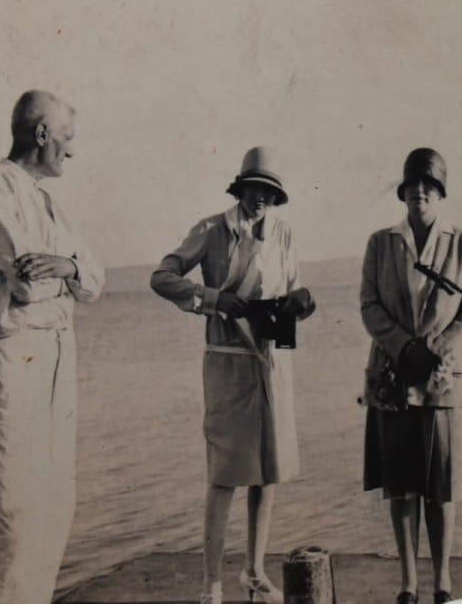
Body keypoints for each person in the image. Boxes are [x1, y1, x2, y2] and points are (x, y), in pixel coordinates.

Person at [151, 146, 316, 604]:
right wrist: (212, 298)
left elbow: (290, 291)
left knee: (268, 471)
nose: (260, 197)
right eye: (254, 188)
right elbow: (161, 277)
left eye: (268, 191)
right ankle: (211, 583)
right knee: (224, 474)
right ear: (240, 188)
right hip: (226, 360)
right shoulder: (211, 230)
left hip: (271, 361)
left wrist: (301, 303)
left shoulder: (283, 233)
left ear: (276, 196)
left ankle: (254, 572)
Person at [0, 90, 105, 604]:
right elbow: (26, 283)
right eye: (67, 138)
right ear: (42, 134)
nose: (71, 150)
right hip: (13, 354)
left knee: (56, 502)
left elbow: (95, 281)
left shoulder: (46, 202)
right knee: (19, 509)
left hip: (57, 353)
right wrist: (68, 273)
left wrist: (68, 266)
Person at [361, 147, 462, 604]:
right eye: (413, 184)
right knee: (401, 485)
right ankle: (409, 583)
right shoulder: (380, 243)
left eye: (429, 185)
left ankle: (443, 581)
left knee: (442, 483)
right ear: (403, 192)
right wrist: (403, 347)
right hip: (393, 377)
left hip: (444, 376)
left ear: (441, 193)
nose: (420, 192)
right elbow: (369, 306)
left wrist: (435, 348)